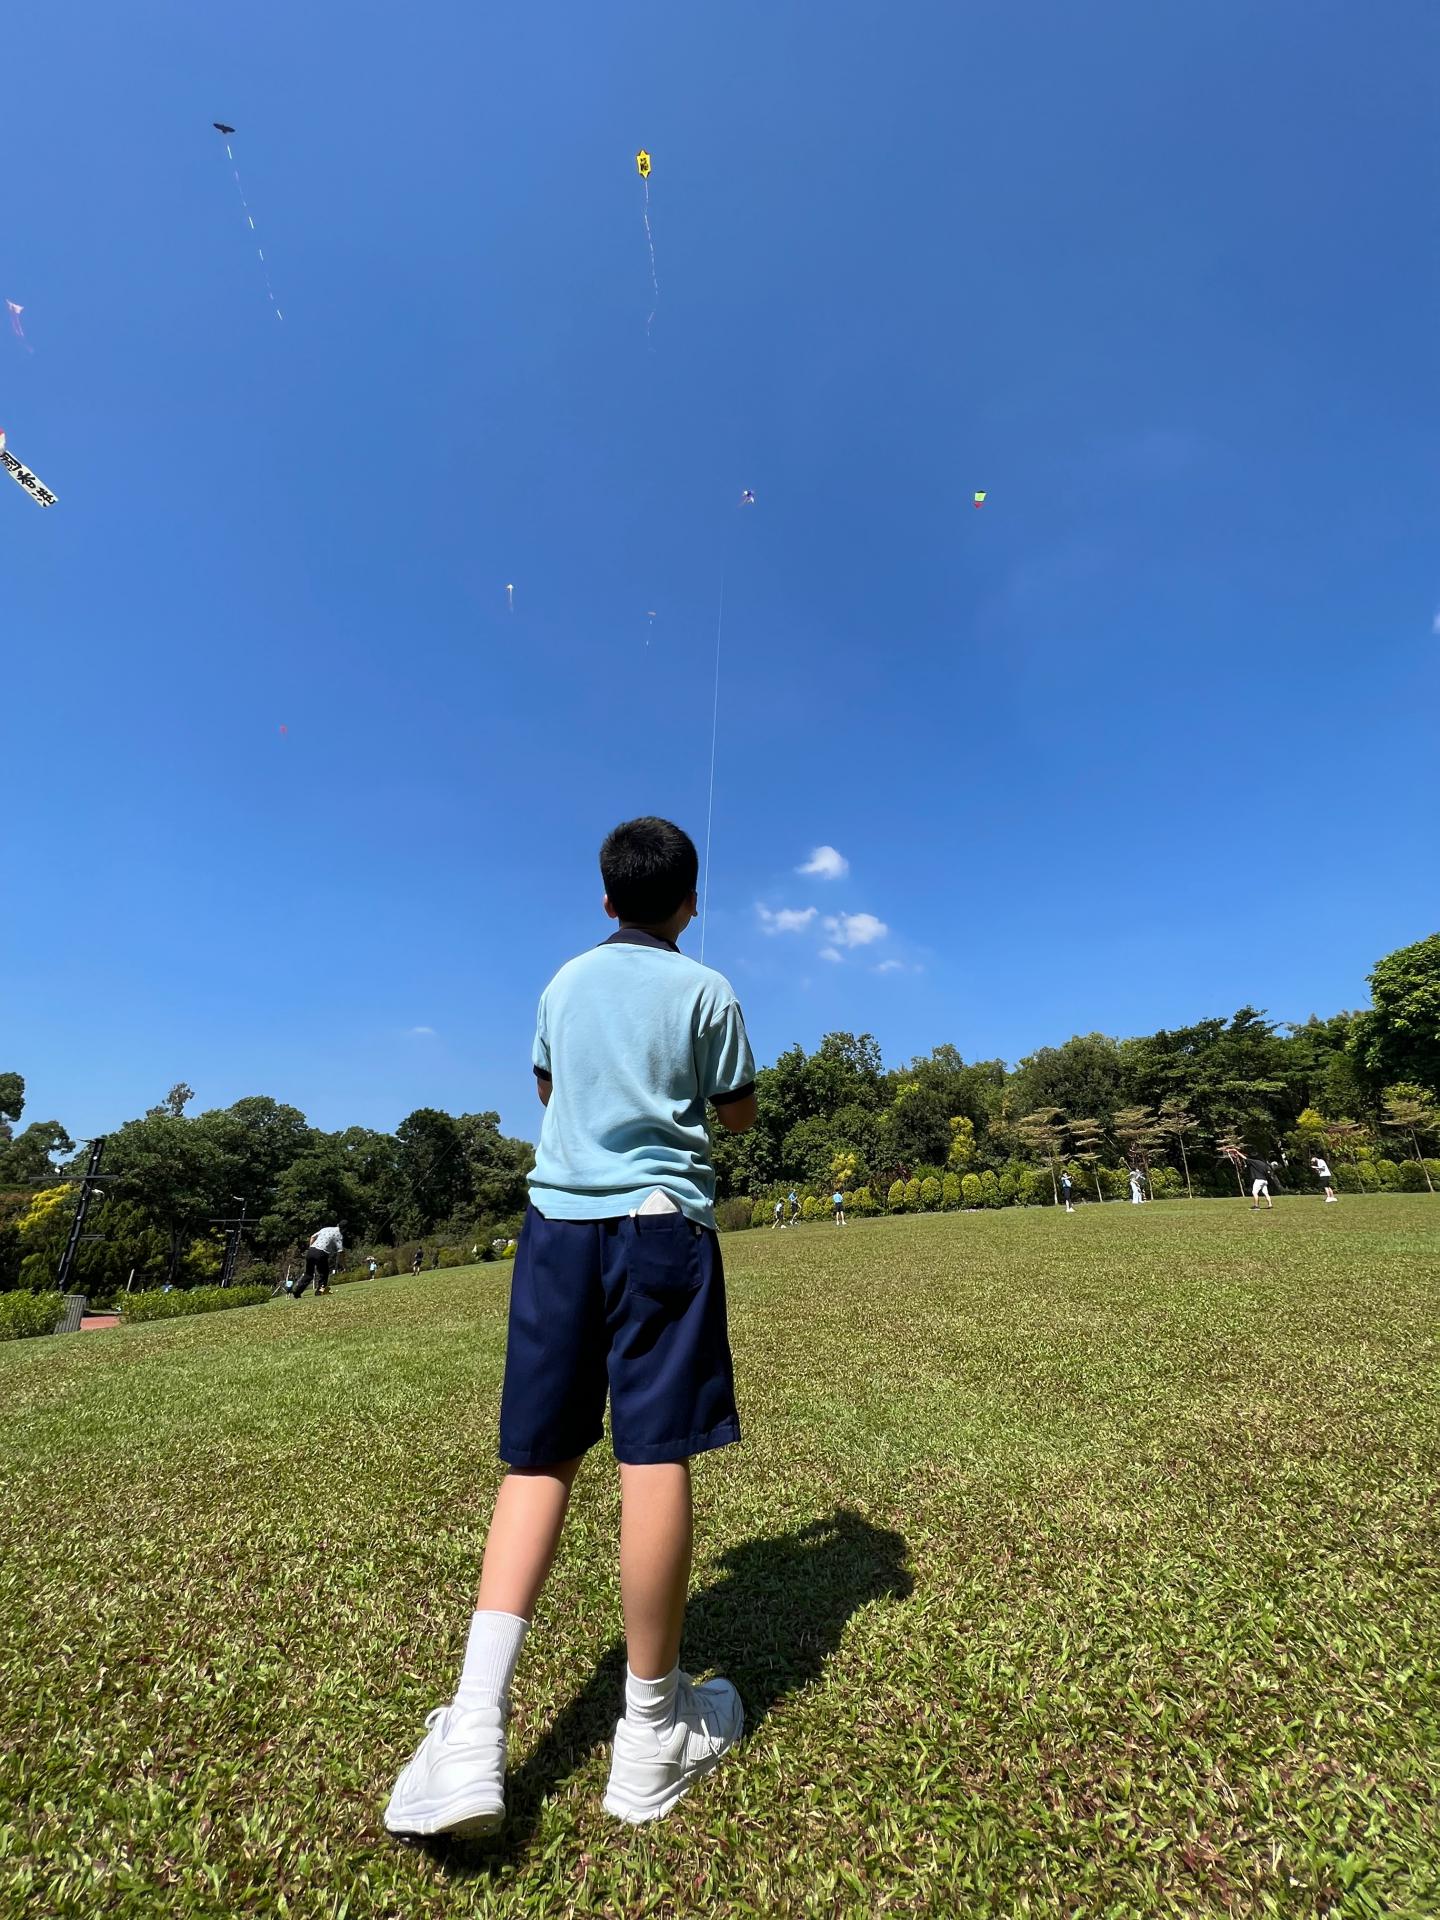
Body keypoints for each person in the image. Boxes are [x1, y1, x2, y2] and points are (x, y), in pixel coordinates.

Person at [384, 816, 757, 1840]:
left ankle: (471, 1733)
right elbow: (736, 1113)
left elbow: (548, 1090)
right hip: (661, 1230)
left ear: (604, 900)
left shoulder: (561, 983)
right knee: (654, 1454)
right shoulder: (710, 990)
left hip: (555, 1230)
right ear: (691, 903)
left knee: (539, 1459)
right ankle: (652, 1736)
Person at [294, 1222, 342, 1299]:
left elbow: (312, 1237)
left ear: (337, 1225)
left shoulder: (325, 1229)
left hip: (311, 1251)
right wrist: (345, 1265)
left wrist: (311, 1248)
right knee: (324, 1273)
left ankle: (297, 1292)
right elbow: (340, 1251)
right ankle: (320, 1291)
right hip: (321, 1253)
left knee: (308, 1273)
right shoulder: (339, 1235)